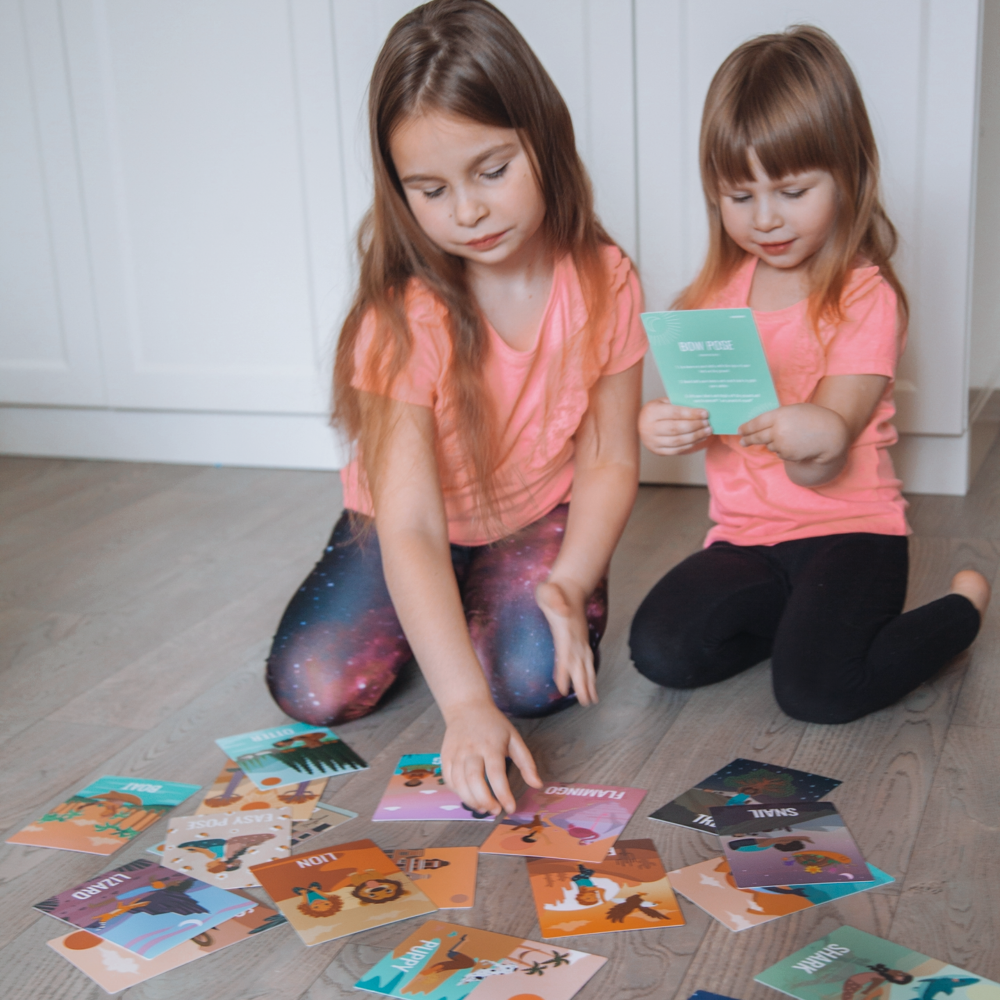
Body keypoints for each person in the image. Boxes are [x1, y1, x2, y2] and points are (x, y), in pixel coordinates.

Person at [266, 0, 645, 814]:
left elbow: (611, 457)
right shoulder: (402, 315)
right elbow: (409, 526)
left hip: (530, 513)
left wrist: (570, 583)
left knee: (534, 683)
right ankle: (437, 616)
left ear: (543, 138)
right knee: (313, 687)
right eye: (431, 190)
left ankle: (474, 609)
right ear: (398, 190)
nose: (467, 212)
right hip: (415, 522)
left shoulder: (605, 277)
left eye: (492, 171)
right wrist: (461, 706)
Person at [630, 25, 989, 724]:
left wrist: (807, 428)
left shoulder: (863, 296)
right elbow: (689, 405)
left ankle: (960, 611)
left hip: (852, 534)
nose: (766, 219)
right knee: (660, 651)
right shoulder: (711, 300)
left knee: (816, 693)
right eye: (740, 196)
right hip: (747, 540)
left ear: (847, 174)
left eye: (792, 190)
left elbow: (829, 445)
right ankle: (803, 624)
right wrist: (658, 421)